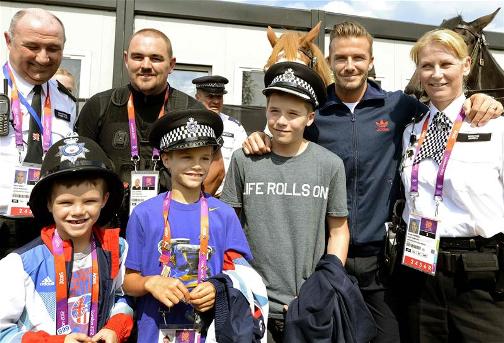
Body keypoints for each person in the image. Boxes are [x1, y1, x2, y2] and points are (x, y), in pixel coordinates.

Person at [242, 21, 503, 343]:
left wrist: (481, 101)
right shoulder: (315, 111)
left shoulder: (399, 109)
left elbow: (450, 111)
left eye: (358, 58)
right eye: (340, 58)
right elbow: (284, 132)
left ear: (371, 61)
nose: (349, 66)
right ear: (330, 61)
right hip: (324, 255)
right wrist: (260, 138)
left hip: (384, 260)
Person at [221, 61, 350, 342]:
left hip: (306, 304)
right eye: (274, 111)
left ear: (310, 118)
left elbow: (339, 231)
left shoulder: (330, 165)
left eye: (293, 114)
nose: (281, 121)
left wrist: (326, 283)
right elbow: (227, 223)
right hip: (253, 304)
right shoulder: (244, 160)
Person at [398, 29, 504, 343]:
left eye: (446, 64)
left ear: (467, 65)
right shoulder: (411, 131)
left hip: (479, 276)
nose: (436, 74)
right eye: (427, 66)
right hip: (420, 271)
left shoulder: (495, 127)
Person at [123, 109, 252, 343]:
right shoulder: (143, 214)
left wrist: (217, 290)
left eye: (205, 157)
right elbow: (128, 282)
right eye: (186, 157)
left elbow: (241, 276)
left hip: (210, 334)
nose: (197, 166)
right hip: (154, 334)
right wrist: (150, 282)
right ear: (166, 159)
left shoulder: (224, 214)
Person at [76, 28, 225, 229]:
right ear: (126, 59)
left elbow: (215, 171)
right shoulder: (100, 106)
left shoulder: (192, 111)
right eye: (138, 57)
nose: (146, 66)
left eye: (156, 58)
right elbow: (79, 171)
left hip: (170, 228)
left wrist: (186, 215)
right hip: (108, 230)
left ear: (171, 64)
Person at [0, 135, 133, 342]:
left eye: (90, 200)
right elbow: (3, 332)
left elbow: (120, 296)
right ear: (48, 203)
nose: (78, 211)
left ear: (105, 200)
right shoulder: (19, 264)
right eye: (66, 203)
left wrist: (116, 328)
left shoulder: (116, 248)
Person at [0, 8, 76, 257]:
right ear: (9, 41)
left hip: (43, 229)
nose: (43, 58)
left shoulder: (65, 100)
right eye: (32, 46)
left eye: (53, 49)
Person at [193, 75, 248, 195]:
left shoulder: (235, 127)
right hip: (191, 196)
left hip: (225, 197)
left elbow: (242, 163)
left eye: (219, 97)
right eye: (210, 96)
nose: (216, 101)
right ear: (197, 98)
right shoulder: (188, 124)